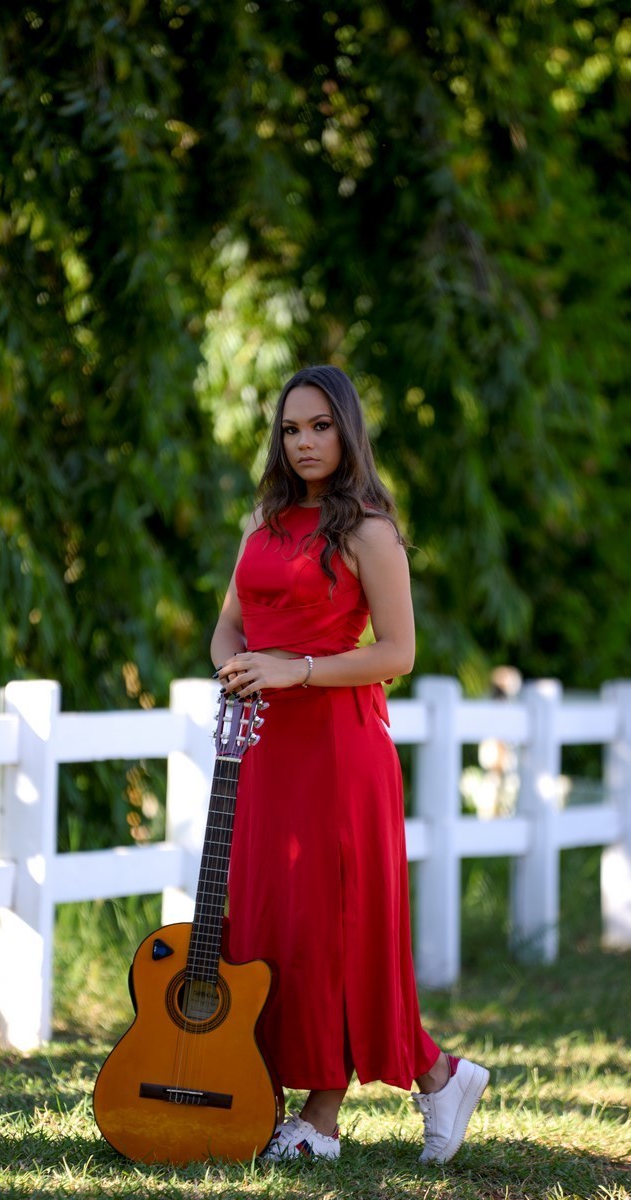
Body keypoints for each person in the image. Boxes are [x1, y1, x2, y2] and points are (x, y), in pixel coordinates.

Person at [210, 364, 488, 1163]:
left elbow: (396, 652)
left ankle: (320, 1120)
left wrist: (292, 668)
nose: (304, 443)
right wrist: (238, 667)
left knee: (333, 928)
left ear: (348, 431)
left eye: (320, 427)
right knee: (270, 924)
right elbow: (229, 626)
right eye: (292, 429)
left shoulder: (368, 529)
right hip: (266, 749)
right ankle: (437, 1074)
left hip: (340, 752)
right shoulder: (262, 521)